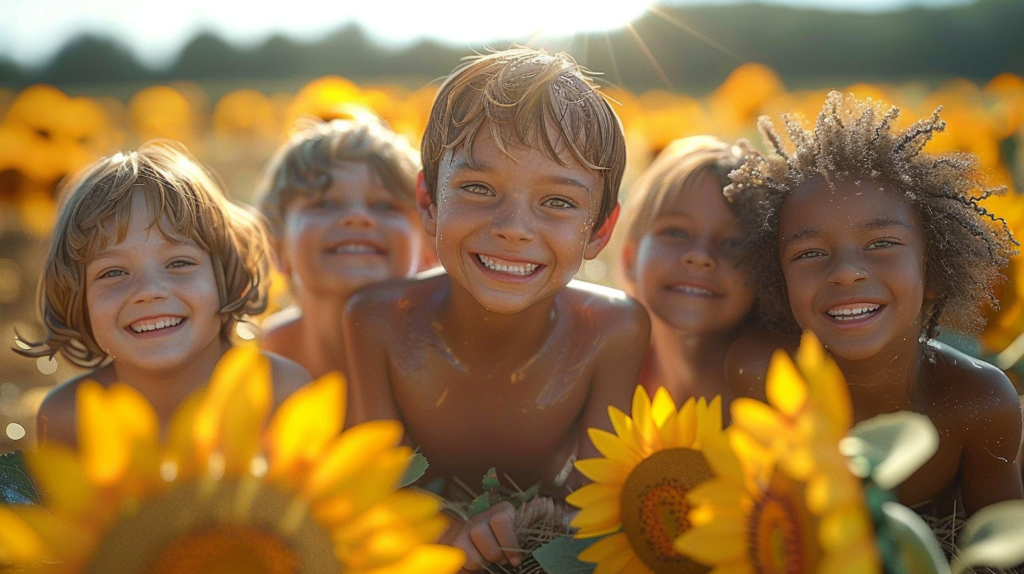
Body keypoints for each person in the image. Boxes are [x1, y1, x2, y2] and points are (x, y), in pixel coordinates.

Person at [343, 48, 649, 571]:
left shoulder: (613, 330)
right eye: (478, 188)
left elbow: (591, 502)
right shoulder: (377, 320)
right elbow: (373, 481)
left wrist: (537, 531)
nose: (513, 227)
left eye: (557, 202)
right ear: (428, 202)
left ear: (599, 230)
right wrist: (449, 534)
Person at [726, 91, 1023, 517]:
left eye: (881, 243)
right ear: (779, 279)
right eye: (809, 253)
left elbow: (1001, 548)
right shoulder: (763, 377)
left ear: (934, 268)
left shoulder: (978, 403)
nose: (846, 272)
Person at [18, 141, 311, 448]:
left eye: (179, 263)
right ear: (77, 299)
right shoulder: (68, 417)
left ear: (227, 275)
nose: (148, 292)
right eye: (113, 272)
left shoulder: (279, 392)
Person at [255, 117, 432, 378]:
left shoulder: (451, 354)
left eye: (385, 206)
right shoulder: (267, 356)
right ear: (277, 249)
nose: (358, 217)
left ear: (430, 249)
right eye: (325, 204)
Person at [617, 135, 756, 406]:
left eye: (733, 243)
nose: (700, 256)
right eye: (675, 231)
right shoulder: (605, 369)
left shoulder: (773, 387)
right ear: (630, 259)